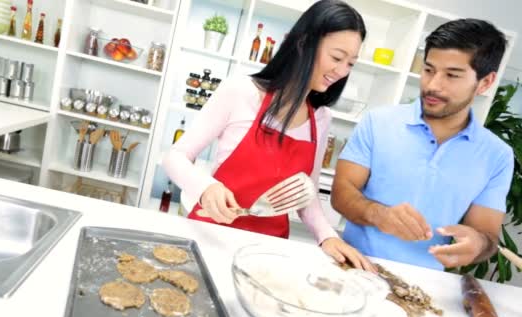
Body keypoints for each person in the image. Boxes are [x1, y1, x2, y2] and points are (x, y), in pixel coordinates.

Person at [163, 0, 375, 271]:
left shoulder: (320, 119)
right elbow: (176, 156)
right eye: (336, 58)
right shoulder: (241, 92)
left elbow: (305, 194)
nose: (342, 71)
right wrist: (206, 188)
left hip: (269, 253)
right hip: (212, 239)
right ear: (304, 43)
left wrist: (327, 237)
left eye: (351, 63)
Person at [331, 18, 513, 270]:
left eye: (452, 75)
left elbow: (486, 234)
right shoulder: (378, 121)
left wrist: (478, 244)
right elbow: (341, 193)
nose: (433, 85)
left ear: (485, 82)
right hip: (354, 265)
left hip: (426, 285)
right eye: (429, 70)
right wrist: (379, 214)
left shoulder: (498, 155)